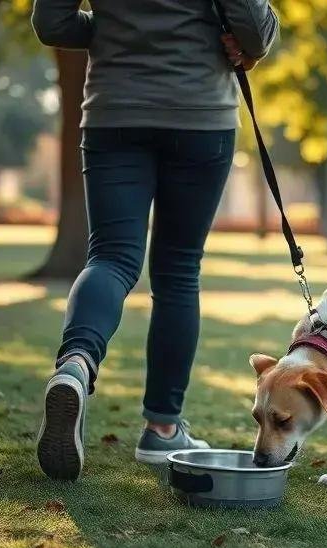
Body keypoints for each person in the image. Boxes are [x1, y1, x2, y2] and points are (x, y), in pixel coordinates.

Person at [31, 0, 279, 481]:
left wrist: (116, 30)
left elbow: (51, 23)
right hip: (199, 113)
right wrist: (249, 42)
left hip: (115, 112)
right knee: (178, 270)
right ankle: (162, 428)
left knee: (111, 257)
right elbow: (251, 25)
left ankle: (76, 365)